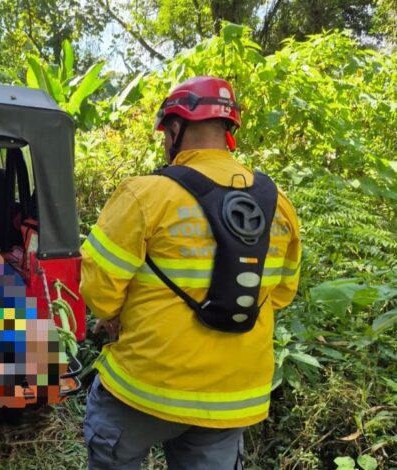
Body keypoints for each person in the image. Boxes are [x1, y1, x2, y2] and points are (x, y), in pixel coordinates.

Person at [80, 76, 301, 469]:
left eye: (167, 131)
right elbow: (282, 295)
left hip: (144, 389)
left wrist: (112, 315)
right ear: (228, 131)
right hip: (233, 397)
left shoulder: (144, 194)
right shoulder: (279, 204)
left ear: (176, 128)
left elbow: (98, 290)